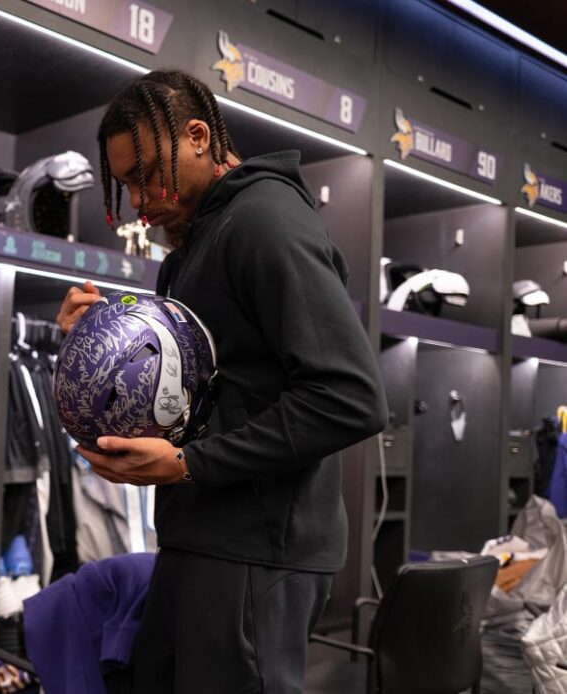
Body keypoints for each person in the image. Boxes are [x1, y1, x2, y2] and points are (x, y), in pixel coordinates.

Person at [57, 69, 387, 692]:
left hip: (255, 552)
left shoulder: (265, 223)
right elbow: (195, 392)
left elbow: (351, 397)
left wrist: (189, 465)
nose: (139, 201)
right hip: (202, 535)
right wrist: (97, 339)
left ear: (200, 137)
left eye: (148, 174)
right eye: (126, 183)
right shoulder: (191, 251)